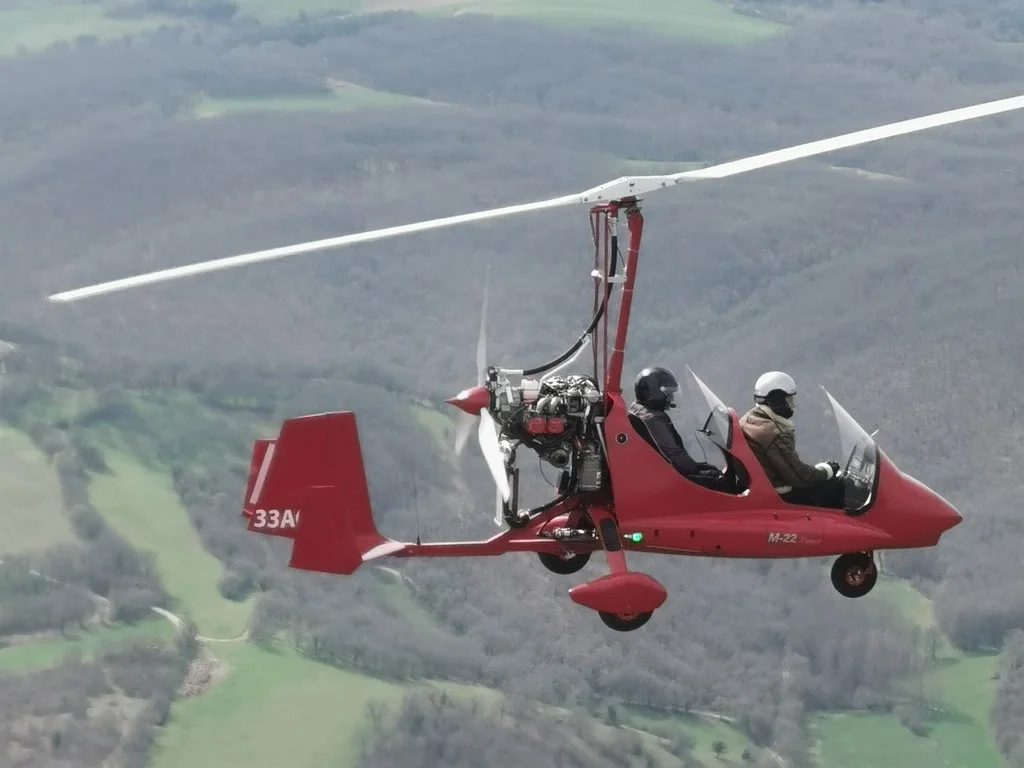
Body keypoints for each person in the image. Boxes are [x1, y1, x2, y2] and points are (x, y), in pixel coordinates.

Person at [738, 371, 845, 509]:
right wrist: (827, 470)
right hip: (784, 498)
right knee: (842, 485)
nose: (793, 406)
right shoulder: (773, 434)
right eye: (789, 401)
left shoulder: (749, 420)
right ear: (776, 400)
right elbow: (800, 477)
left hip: (767, 492)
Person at [628, 366, 733, 492]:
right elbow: (675, 456)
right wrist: (702, 470)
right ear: (655, 393)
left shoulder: (640, 410)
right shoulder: (654, 420)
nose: (671, 398)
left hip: (659, 476)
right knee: (726, 484)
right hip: (672, 481)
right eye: (668, 394)